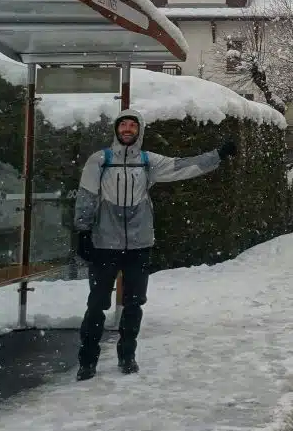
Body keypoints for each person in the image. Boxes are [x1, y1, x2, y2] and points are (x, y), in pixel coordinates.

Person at [73, 108, 238, 379]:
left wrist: (216, 155)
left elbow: (182, 167)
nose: (127, 129)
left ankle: (127, 356)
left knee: (134, 303)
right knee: (97, 304)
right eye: (123, 125)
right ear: (116, 129)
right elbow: (86, 196)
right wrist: (82, 231)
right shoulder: (99, 160)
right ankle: (87, 361)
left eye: (132, 126)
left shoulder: (148, 161)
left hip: (139, 245)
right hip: (104, 244)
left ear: (139, 131)